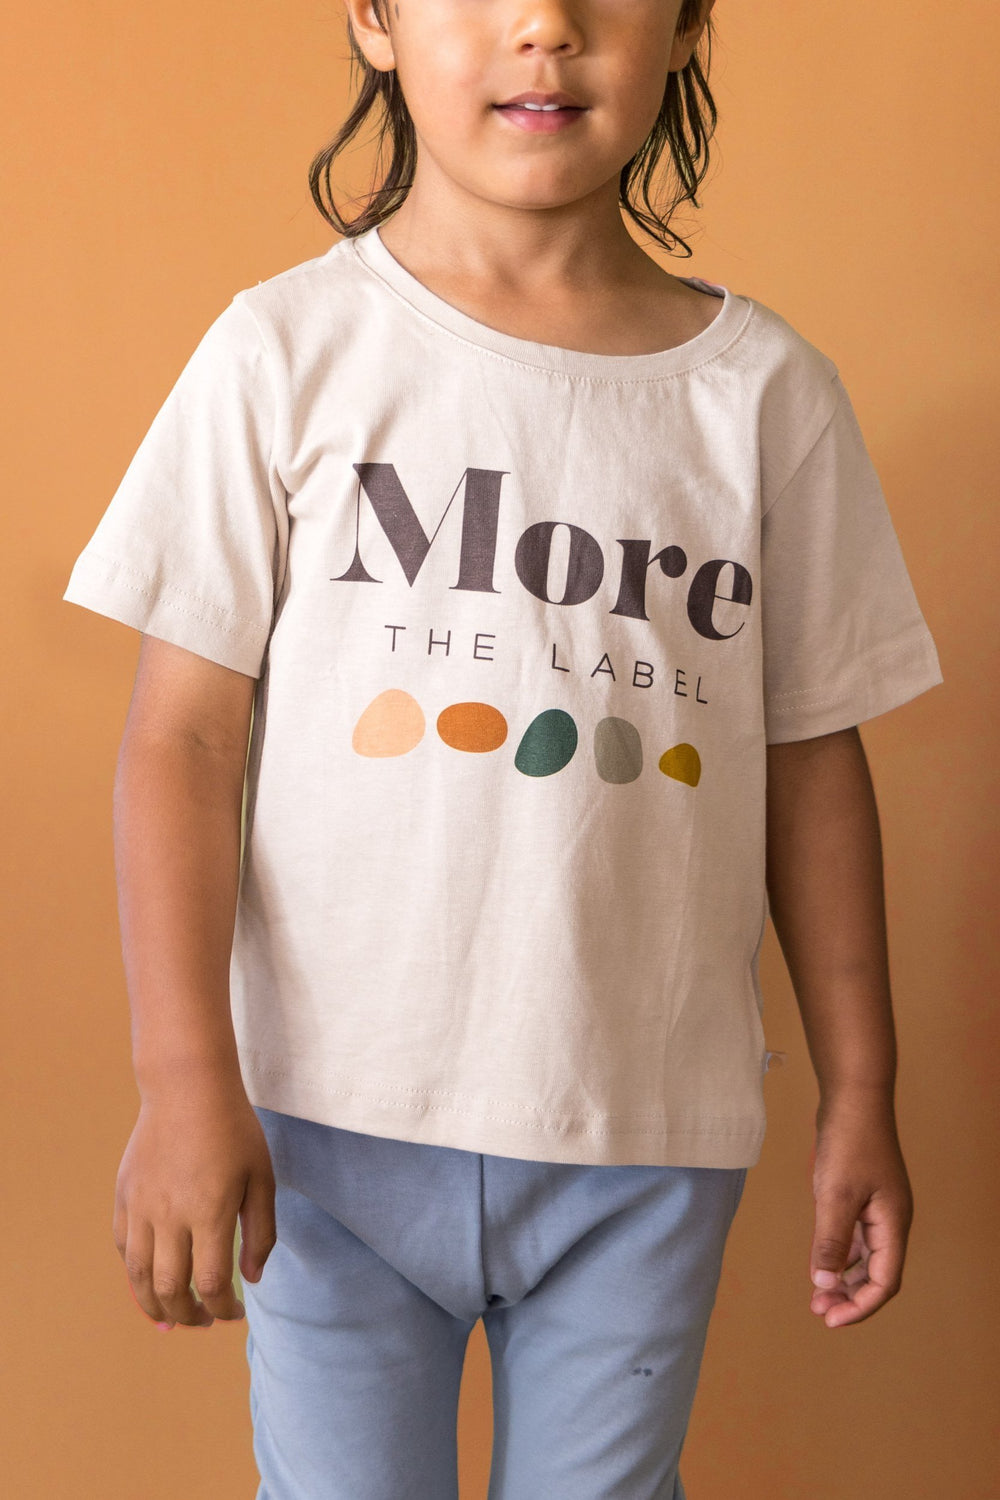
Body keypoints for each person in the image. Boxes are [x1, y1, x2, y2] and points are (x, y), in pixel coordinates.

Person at [63, 1, 944, 1495]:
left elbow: (809, 763)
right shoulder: (284, 351)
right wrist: (182, 1076)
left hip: (646, 1138)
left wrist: (863, 1090)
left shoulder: (765, 396)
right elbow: (185, 740)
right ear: (375, 19)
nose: (546, 26)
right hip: (327, 1132)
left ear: (683, 27)